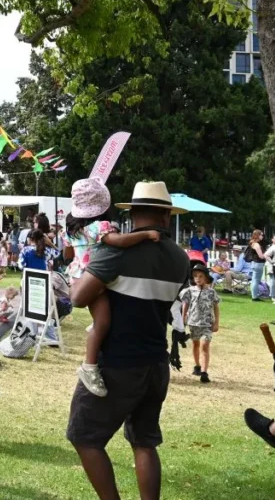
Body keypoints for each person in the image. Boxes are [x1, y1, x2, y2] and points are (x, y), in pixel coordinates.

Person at [67, 181, 191, 500]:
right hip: (156, 362)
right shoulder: (180, 258)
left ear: (132, 213)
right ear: (166, 217)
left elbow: (79, 298)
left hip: (117, 364)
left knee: (84, 436)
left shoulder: (115, 251)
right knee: (145, 441)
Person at [63, 177, 162, 397]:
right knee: (102, 322)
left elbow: (67, 254)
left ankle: (95, 336)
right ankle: (89, 366)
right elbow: (119, 242)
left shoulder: (73, 229)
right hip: (94, 277)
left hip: (77, 276)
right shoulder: (101, 227)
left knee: (103, 318)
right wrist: (145, 234)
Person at [180, 261, 220, 383]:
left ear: (206, 278)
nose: (198, 279)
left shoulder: (212, 292)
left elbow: (216, 307)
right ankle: (197, 366)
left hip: (207, 324)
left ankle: (204, 371)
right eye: (195, 276)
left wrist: (216, 322)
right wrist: (183, 320)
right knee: (196, 344)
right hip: (193, 323)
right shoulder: (189, 291)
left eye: (201, 276)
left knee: (205, 345)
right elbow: (185, 306)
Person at [243, 229, 268, 301]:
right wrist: (266, 255)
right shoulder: (256, 245)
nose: (262, 236)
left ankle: (254, 295)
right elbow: (261, 256)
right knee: (256, 280)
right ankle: (255, 296)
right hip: (258, 263)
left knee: (254, 280)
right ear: (257, 235)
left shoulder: (252, 243)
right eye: (261, 235)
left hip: (254, 263)